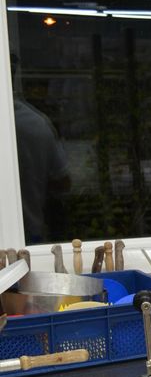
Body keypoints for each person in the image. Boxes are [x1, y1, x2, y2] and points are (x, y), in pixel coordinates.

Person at [10, 54, 71, 243]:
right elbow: (63, 181)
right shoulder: (37, 123)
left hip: (27, 237)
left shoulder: (33, 123)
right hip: (29, 235)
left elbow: (63, 181)